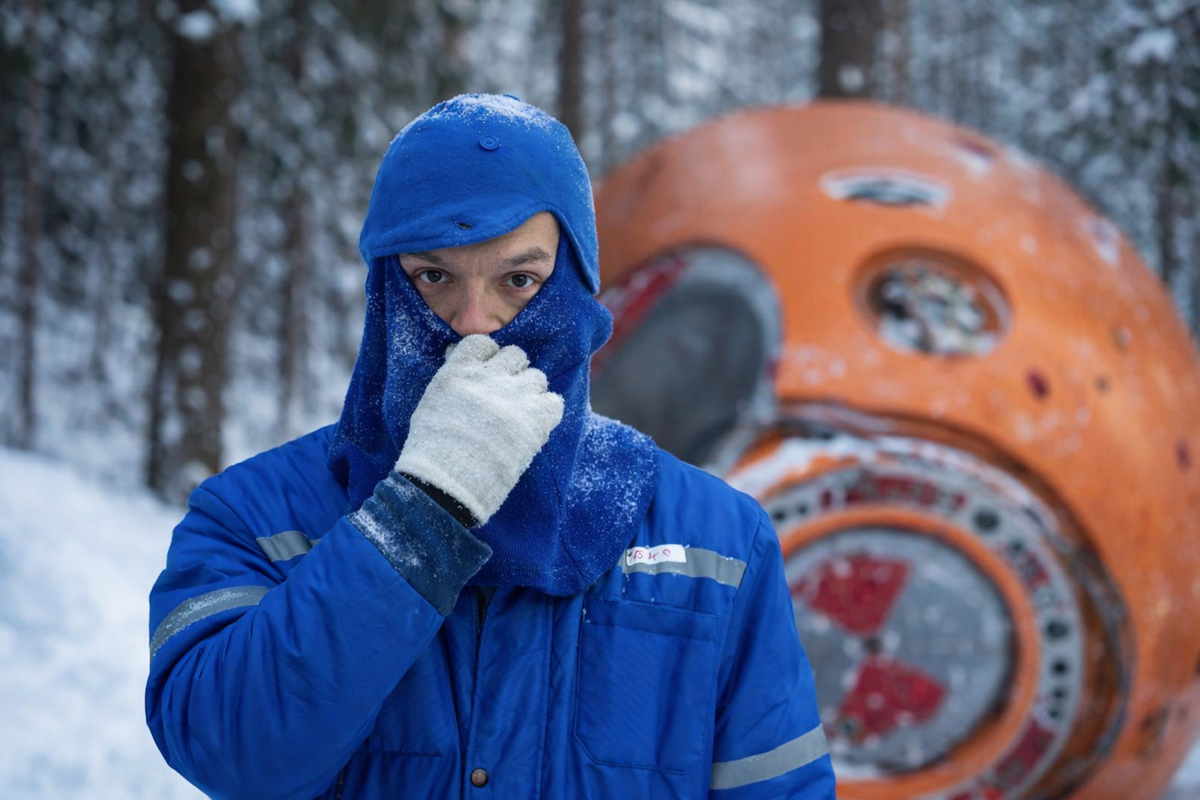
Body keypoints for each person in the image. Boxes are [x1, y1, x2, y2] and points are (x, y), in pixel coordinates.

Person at [145, 94, 836, 800]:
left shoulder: (718, 538)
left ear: (573, 285)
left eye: (518, 280)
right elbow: (235, 756)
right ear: (387, 284)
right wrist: (422, 510)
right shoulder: (255, 516)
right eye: (434, 277)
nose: (475, 326)